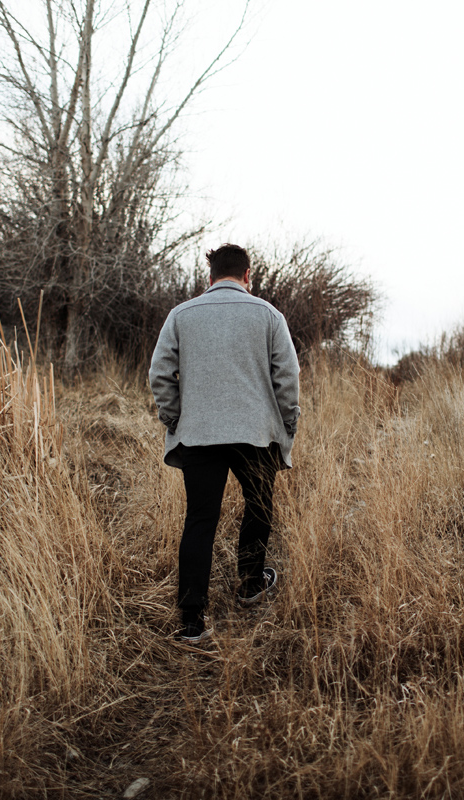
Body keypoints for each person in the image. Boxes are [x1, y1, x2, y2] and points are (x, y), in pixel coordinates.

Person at [149, 244, 301, 645]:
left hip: (199, 435)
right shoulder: (268, 315)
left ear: (210, 276)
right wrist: (287, 424)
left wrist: (175, 418)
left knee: (200, 519)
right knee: (258, 504)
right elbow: (287, 377)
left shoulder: (181, 315)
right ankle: (251, 584)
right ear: (248, 275)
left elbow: (160, 373)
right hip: (256, 435)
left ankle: (192, 622)